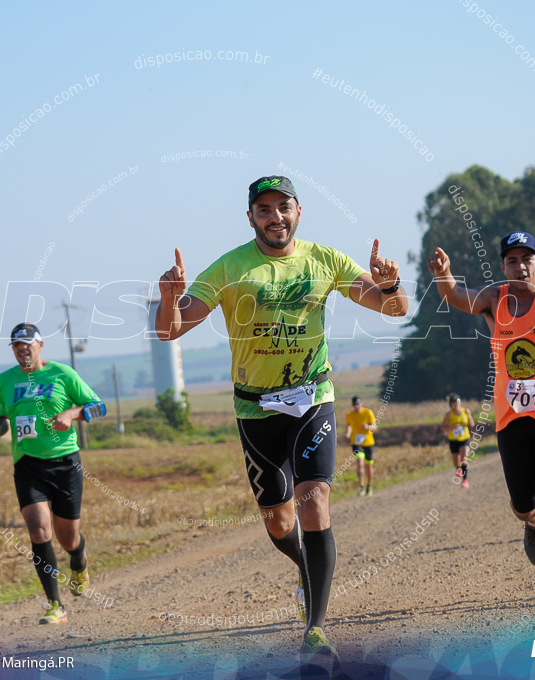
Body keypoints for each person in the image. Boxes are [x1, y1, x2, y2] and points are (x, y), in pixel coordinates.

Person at [156, 175, 408, 662]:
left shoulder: (325, 259)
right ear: (250, 216)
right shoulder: (230, 267)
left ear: (299, 211)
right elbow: (169, 331)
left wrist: (390, 281)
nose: (275, 217)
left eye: (283, 207)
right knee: (278, 520)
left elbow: (393, 309)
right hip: (255, 408)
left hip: (313, 398)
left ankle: (315, 626)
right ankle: (303, 566)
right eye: (265, 209)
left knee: (314, 503)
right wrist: (170, 296)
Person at [428, 231, 535, 598]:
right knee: (522, 502)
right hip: (511, 416)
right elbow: (457, 297)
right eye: (512, 260)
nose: (520, 266)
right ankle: (533, 523)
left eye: (527, 259)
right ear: (503, 265)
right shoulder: (493, 298)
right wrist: (444, 273)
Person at [0, 322, 106, 623]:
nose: (21, 349)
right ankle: (55, 605)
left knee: (68, 539)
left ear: (40, 345)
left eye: (27, 343)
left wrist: (72, 414)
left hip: (65, 463)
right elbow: (2, 414)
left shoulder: (63, 374)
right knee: (38, 529)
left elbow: (99, 407)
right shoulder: (5, 381)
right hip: (27, 464)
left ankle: (78, 560)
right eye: (15, 345)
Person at [345, 396, 378, 496]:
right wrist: (348, 434)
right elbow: (349, 425)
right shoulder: (349, 415)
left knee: (369, 465)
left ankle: (369, 486)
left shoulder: (368, 412)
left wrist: (368, 427)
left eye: (357, 404)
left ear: (361, 404)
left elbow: (374, 427)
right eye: (354, 405)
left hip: (368, 443)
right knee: (360, 462)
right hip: (357, 443)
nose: (356, 406)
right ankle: (361, 487)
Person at [441, 393, 475, 489]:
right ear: (451, 404)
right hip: (453, 440)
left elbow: (472, 424)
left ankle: (465, 480)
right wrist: (452, 427)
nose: (457, 404)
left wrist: (469, 416)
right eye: (454, 402)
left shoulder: (465, 411)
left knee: (464, 459)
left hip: (465, 438)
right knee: (456, 461)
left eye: (458, 401)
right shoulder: (449, 415)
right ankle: (458, 469)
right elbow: (443, 427)